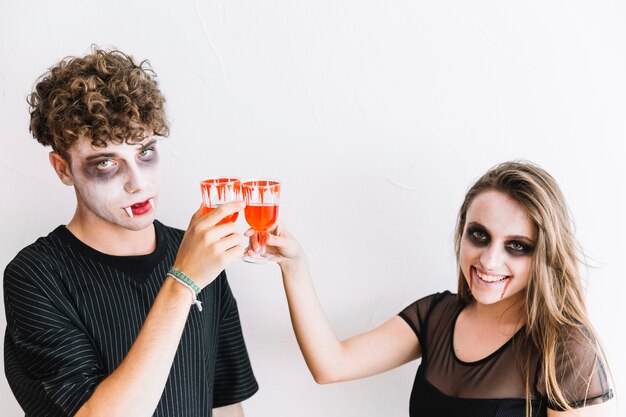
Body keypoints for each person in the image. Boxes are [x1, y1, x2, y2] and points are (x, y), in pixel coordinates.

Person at [4, 47, 258, 417]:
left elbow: (223, 402)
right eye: (106, 163)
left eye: (145, 152)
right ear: (62, 168)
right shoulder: (36, 275)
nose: (138, 184)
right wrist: (184, 280)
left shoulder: (198, 250)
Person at [250, 161, 615, 416]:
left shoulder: (565, 350)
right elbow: (330, 365)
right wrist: (293, 265)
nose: (489, 261)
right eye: (479, 235)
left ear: (544, 255)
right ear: (462, 232)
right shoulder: (435, 317)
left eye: (516, 246)